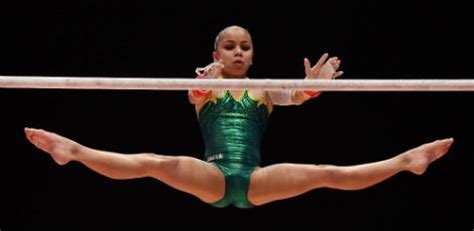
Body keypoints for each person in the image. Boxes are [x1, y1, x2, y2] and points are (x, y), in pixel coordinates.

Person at [25, 25, 454, 209]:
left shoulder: (264, 88)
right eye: (229, 46)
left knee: (328, 172)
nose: (237, 52)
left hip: (255, 179)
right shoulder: (205, 82)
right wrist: (203, 80)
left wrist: (320, 82)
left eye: (245, 46)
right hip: (212, 175)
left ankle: (405, 162)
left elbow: (300, 95)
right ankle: (74, 150)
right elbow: (193, 94)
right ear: (216, 54)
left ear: (252, 54)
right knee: (154, 163)